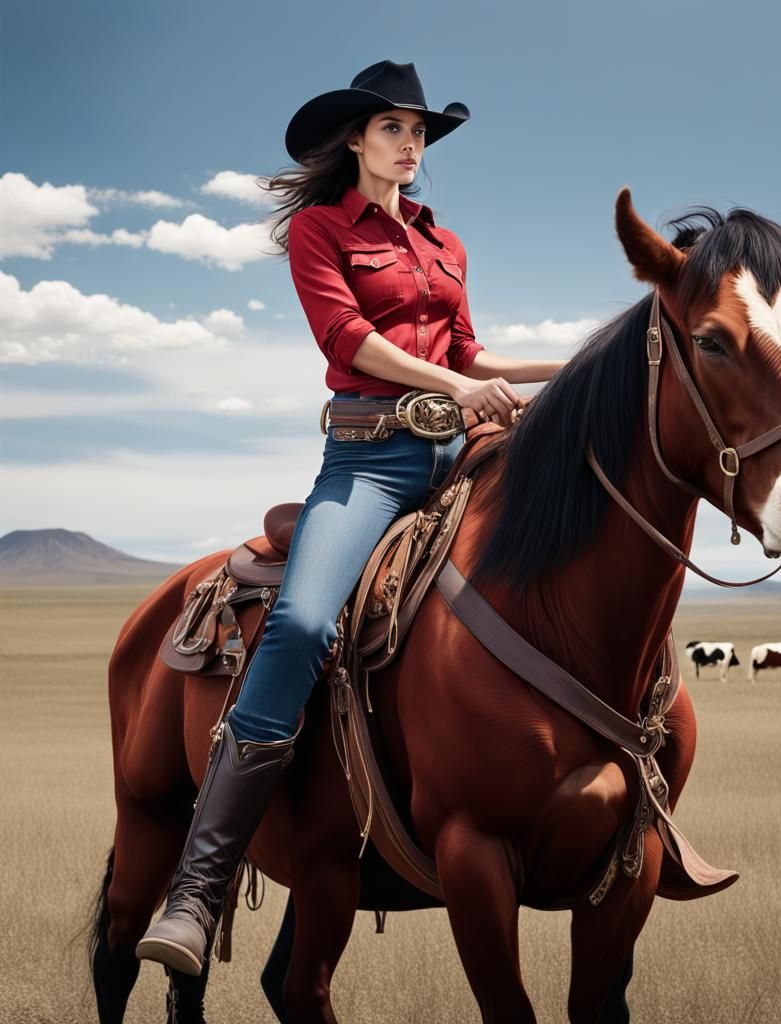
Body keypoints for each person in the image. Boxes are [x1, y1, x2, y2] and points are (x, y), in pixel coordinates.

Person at [135, 59, 567, 976]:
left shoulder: (445, 244)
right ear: (356, 142)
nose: (411, 147)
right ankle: (197, 891)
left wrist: (562, 373)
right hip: (370, 461)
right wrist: (458, 383)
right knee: (296, 623)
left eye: (419, 134)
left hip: (461, 457)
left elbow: (470, 347)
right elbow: (348, 340)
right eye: (395, 131)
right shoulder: (321, 232)